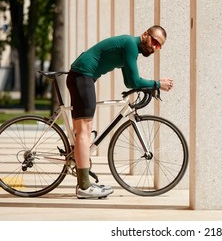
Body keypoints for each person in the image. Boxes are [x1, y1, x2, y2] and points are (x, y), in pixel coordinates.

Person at [66, 25, 173, 199]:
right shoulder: (130, 44)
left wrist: (147, 85)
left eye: (158, 46)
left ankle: (84, 180)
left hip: (81, 76)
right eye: (154, 41)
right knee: (85, 130)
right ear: (145, 34)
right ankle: (84, 187)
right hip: (82, 76)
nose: (154, 47)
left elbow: (130, 82)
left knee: (83, 131)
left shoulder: (130, 48)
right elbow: (135, 81)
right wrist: (157, 84)